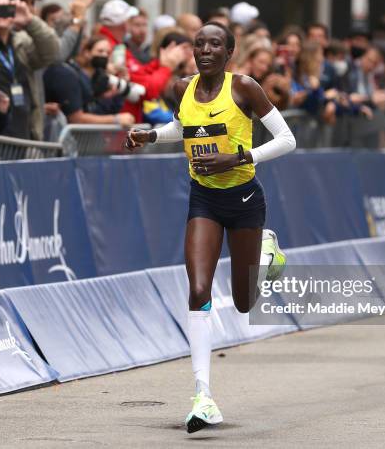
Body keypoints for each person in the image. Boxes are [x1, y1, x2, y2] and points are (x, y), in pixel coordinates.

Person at [125, 22, 296, 433]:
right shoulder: (183, 88)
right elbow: (183, 130)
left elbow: (287, 139)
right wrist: (150, 135)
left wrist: (238, 158)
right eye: (199, 43)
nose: (204, 50)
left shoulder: (245, 88)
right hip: (203, 198)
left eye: (214, 44)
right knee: (198, 289)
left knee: (242, 301)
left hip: (243, 199)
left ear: (229, 52)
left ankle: (266, 248)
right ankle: (202, 396)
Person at [0, 0, 59, 140]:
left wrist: (30, 21)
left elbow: (52, 51)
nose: (1, 14)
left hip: (25, 134)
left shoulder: (21, 43)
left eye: (6, 9)